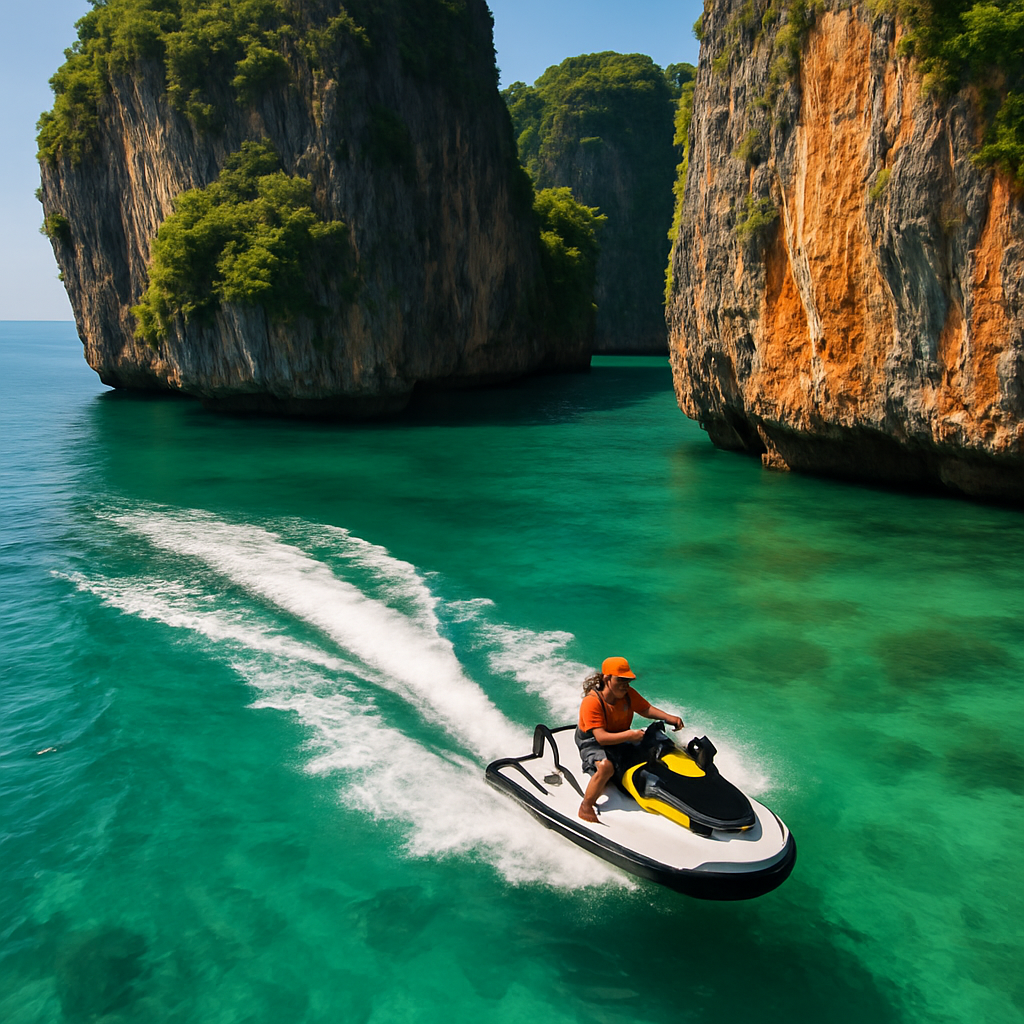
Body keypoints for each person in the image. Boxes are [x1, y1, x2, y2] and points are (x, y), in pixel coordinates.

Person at [576, 656, 683, 823]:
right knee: (606, 767)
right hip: (593, 742)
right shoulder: (592, 702)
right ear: (607, 678)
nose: (625, 685)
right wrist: (630, 735)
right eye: (620, 680)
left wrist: (670, 718)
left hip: (619, 735)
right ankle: (586, 806)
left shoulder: (628, 694)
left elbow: (646, 709)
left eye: (628, 681)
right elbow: (601, 738)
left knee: (655, 749)